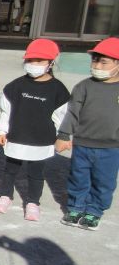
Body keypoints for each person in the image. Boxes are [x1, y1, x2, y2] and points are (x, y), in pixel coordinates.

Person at [0, 39, 70, 221]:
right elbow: (6, 111)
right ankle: (5, 196)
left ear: (51, 63)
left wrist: (63, 136)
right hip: (16, 136)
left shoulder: (58, 89)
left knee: (36, 174)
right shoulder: (16, 86)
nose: (33, 64)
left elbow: (62, 116)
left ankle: (33, 203)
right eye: (30, 60)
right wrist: (2, 131)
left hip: (41, 140)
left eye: (39, 61)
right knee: (10, 170)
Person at [56, 37, 119, 231]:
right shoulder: (84, 86)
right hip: (82, 144)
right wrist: (63, 135)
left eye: (104, 62)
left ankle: (94, 211)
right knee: (78, 177)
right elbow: (72, 113)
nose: (97, 66)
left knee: (104, 181)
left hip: (111, 148)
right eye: (95, 61)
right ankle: (75, 208)